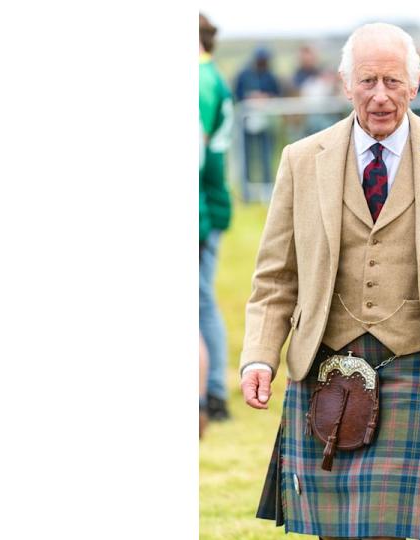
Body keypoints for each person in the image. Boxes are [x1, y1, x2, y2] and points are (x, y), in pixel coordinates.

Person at [239, 22, 420, 540]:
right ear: (345, 84)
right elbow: (275, 276)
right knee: (340, 529)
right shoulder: (302, 160)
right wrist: (260, 355)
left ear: (414, 86)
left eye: (393, 82)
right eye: (367, 81)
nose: (379, 96)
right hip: (326, 367)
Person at [199, 13, 234, 422]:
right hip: (210, 202)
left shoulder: (201, 80)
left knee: (201, 302)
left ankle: (213, 395)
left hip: (203, 207)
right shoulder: (211, 77)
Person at [235, 46, 282, 202]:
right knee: (247, 158)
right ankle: (247, 192)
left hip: (266, 123)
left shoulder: (270, 76)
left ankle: (268, 191)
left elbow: (277, 93)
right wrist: (250, 98)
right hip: (247, 124)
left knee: (266, 157)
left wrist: (266, 98)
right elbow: (237, 93)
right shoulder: (244, 75)